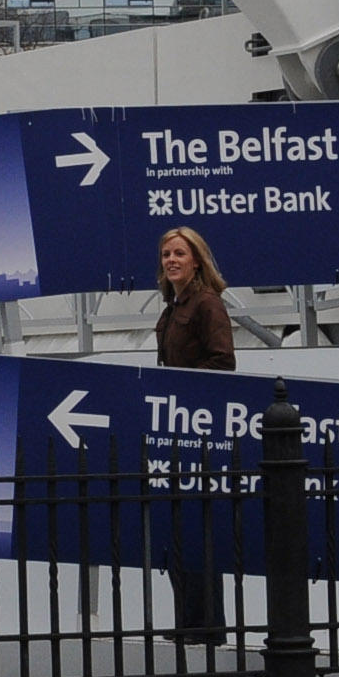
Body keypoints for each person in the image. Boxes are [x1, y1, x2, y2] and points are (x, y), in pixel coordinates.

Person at [154, 226, 235, 647]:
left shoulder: (207, 305)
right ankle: (188, 619)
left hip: (197, 433)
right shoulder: (171, 308)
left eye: (179, 254)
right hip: (172, 430)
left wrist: (181, 387)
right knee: (178, 532)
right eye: (167, 254)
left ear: (196, 260)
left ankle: (207, 624)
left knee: (198, 529)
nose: (171, 260)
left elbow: (224, 363)